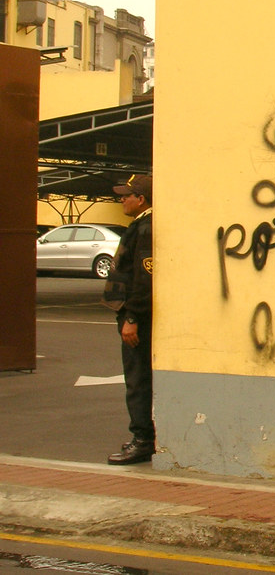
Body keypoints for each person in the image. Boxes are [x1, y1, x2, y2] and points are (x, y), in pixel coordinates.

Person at [104, 174, 155, 464]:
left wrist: (132, 317)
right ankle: (142, 436)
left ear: (141, 199)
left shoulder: (145, 228)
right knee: (137, 378)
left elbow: (143, 278)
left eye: (127, 195)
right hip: (131, 313)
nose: (122, 199)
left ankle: (142, 439)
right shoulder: (139, 225)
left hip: (136, 316)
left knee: (137, 379)